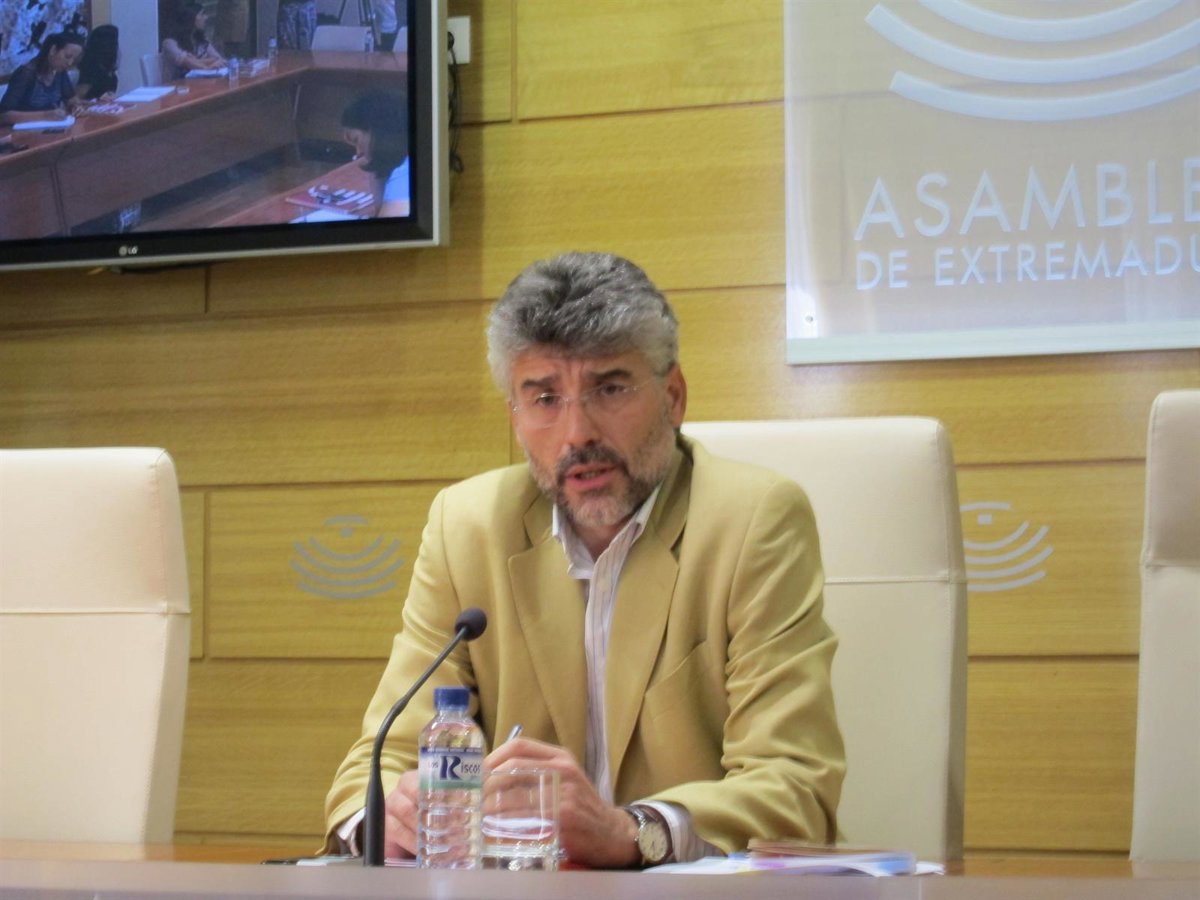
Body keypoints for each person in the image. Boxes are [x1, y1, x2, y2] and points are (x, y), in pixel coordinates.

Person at [323, 252, 845, 867]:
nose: (577, 434)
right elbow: (378, 763)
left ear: (673, 397)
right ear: (515, 416)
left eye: (610, 388)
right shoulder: (467, 526)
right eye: (545, 398)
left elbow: (794, 786)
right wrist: (386, 817)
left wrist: (630, 832)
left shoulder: (753, 520)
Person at [340, 91, 409, 218]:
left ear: (377, 132)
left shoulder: (404, 172)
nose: (358, 153)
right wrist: (376, 166)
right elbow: (380, 209)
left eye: (356, 140)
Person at [0, 31, 84, 126]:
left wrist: (75, 106)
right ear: (53, 50)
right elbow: (4, 115)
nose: (70, 63)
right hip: (22, 131)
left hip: (51, 127)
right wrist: (45, 115)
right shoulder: (26, 73)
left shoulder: (59, 72)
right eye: (67, 57)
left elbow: (70, 98)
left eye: (74, 59)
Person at [161, 2, 225, 82]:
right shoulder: (169, 43)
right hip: (177, 86)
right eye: (202, 14)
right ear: (191, 18)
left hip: (202, 84)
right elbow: (188, 63)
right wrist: (209, 66)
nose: (206, 17)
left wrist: (200, 62)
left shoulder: (201, 41)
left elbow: (219, 59)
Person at [75, 24, 119, 102]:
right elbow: (77, 98)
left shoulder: (107, 68)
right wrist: (97, 100)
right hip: (91, 107)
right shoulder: (91, 69)